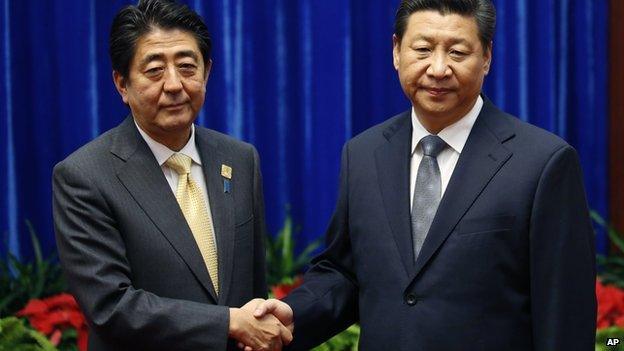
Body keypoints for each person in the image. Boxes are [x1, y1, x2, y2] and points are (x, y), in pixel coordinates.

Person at [253, 0, 596, 350]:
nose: (438, 68)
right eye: (423, 49)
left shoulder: (542, 162)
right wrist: (293, 315)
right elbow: (347, 272)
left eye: (458, 52)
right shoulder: (363, 154)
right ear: (396, 52)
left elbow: (565, 312)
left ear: (487, 57)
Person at [52, 0, 291, 350]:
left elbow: (253, 290)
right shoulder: (84, 176)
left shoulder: (240, 160)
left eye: (187, 66)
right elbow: (111, 307)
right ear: (122, 84)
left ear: (206, 72)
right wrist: (227, 323)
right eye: (154, 71)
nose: (175, 84)